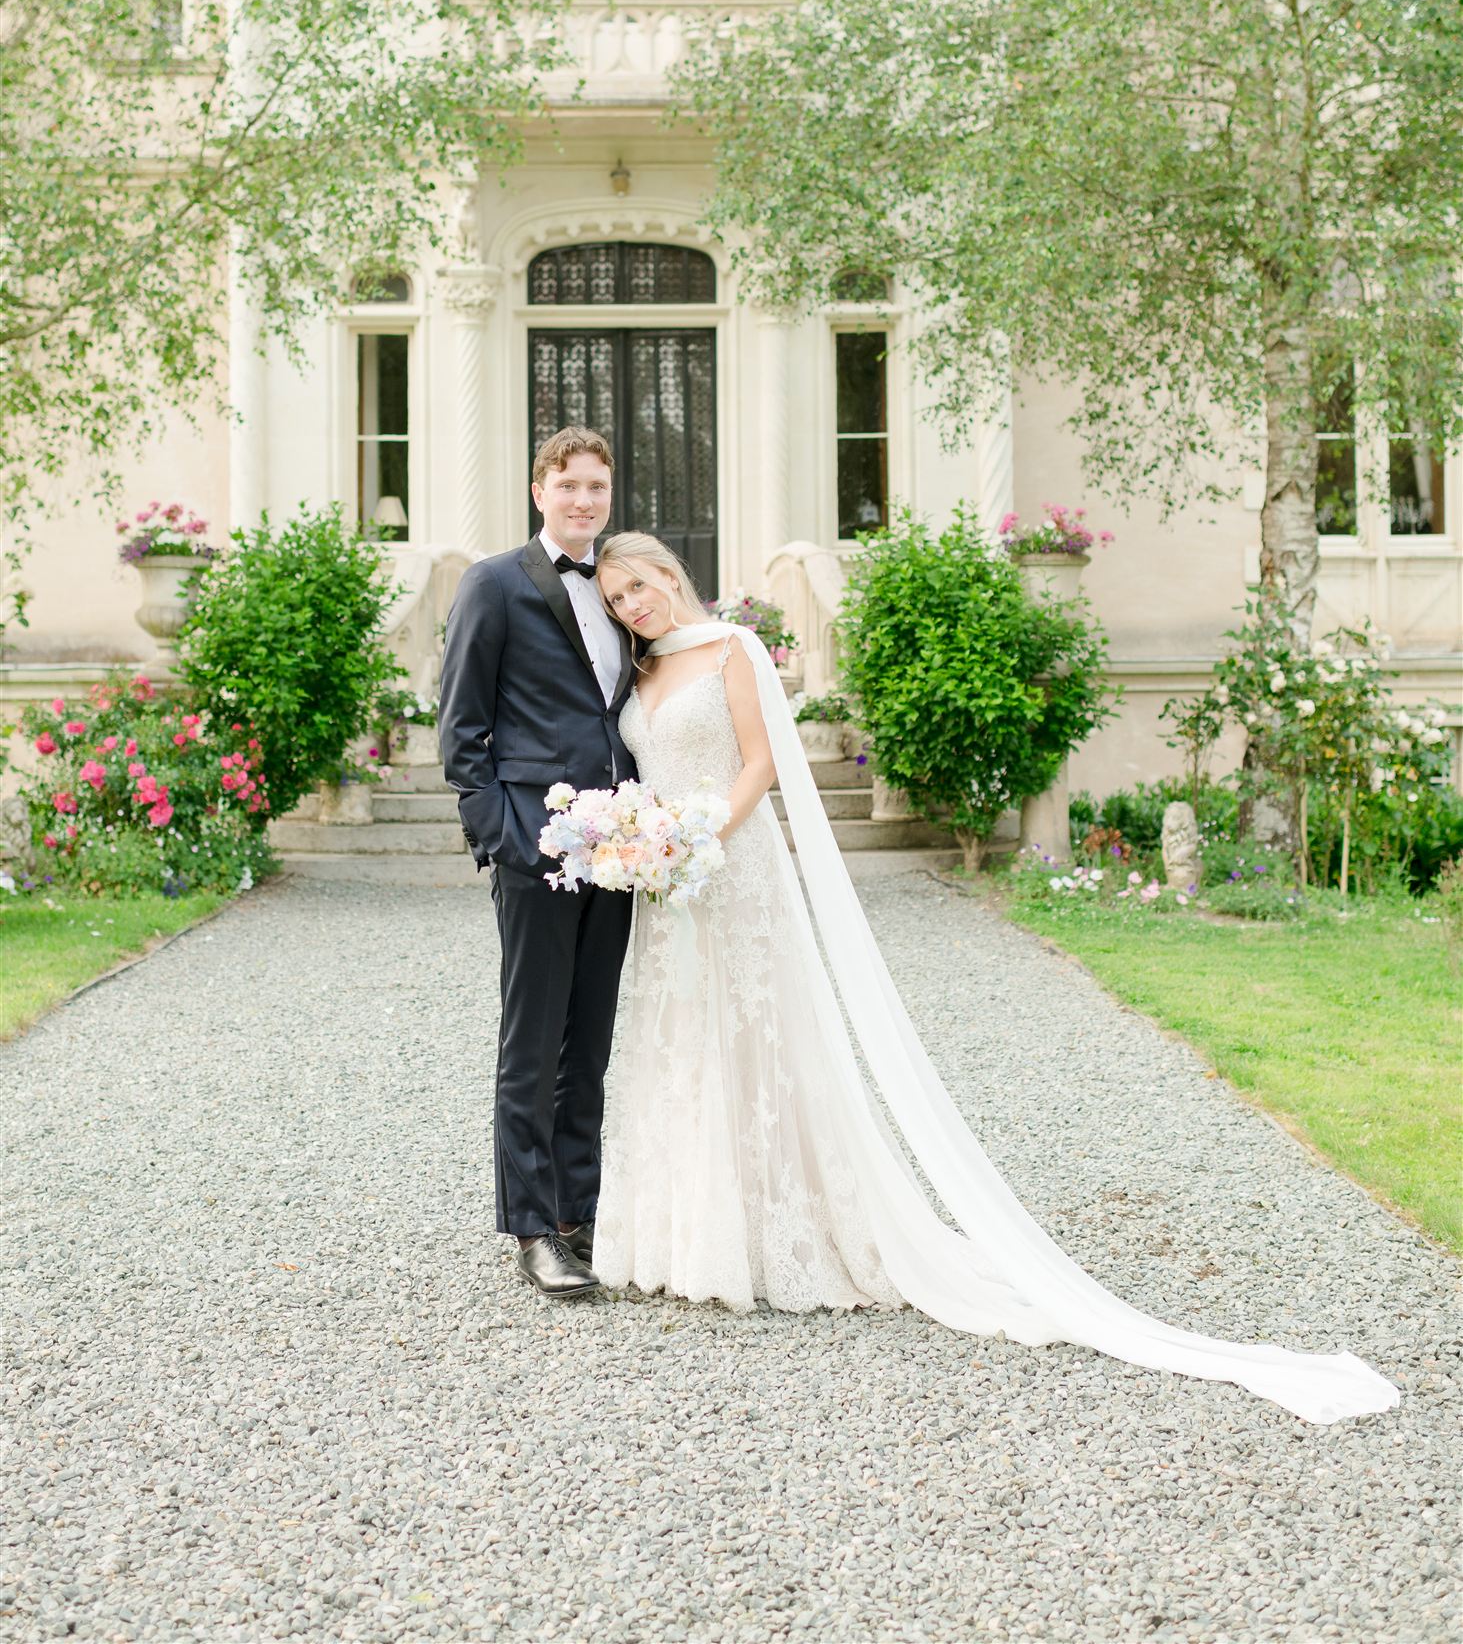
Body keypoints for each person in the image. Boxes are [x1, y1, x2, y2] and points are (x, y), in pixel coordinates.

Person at [589, 529, 1399, 1425]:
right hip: (668, 886)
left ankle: (783, 1235)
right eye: (617, 598)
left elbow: (759, 762)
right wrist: (641, 841)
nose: (632, 605)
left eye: (639, 586)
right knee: (680, 1045)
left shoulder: (732, 648)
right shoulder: (641, 670)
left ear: (670, 573)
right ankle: (689, 1238)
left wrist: (703, 836)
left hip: (732, 872)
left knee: (758, 1039)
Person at [438, 428, 637, 1300]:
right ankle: (530, 1228)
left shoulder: (622, 584)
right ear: (537, 490)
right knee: (533, 1040)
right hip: (535, 845)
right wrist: (500, 837)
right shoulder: (495, 583)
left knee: (588, 1042)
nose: (584, 500)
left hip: (622, 847)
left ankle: (578, 1212)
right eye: (569, 485)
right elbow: (461, 728)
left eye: (596, 486)